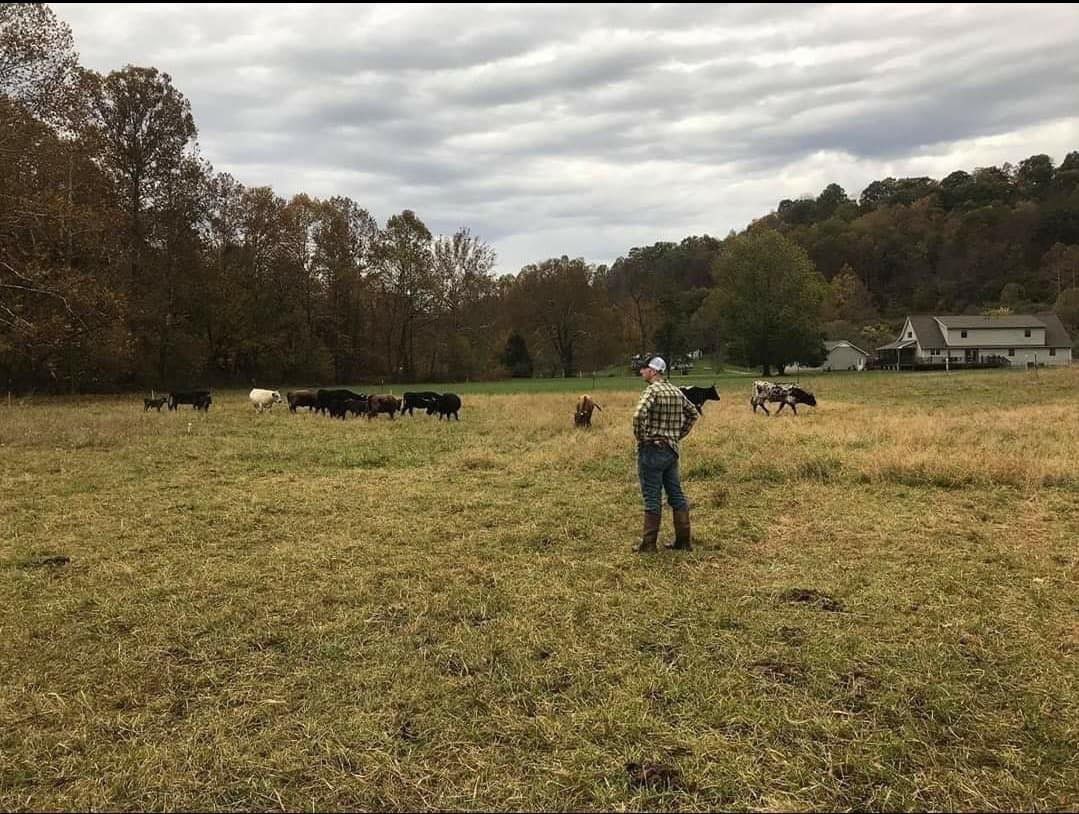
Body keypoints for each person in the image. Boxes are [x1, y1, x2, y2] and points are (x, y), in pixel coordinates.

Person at [631, 356, 700, 552]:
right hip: (671, 450)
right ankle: (684, 541)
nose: (641, 372)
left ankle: (649, 544)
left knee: (652, 497)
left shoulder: (653, 390)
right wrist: (678, 435)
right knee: (676, 494)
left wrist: (642, 437)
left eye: (644, 369)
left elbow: (638, 415)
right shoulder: (675, 390)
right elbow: (693, 413)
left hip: (652, 450)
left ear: (653, 371)